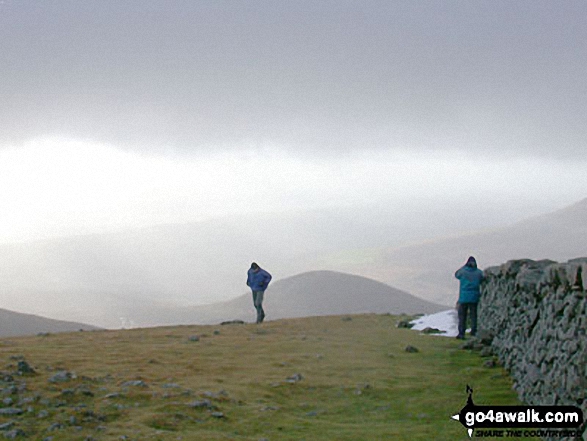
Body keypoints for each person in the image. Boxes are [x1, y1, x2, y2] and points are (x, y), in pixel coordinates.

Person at [454, 256, 484, 339]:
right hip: (474, 297)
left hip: (463, 298)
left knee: (462, 317)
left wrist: (464, 266)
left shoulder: (463, 272)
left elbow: (456, 274)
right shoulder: (478, 273)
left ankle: (461, 333)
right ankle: (473, 331)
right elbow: (482, 278)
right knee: (473, 315)